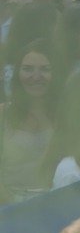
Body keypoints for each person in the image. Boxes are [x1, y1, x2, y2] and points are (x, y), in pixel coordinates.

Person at [0, 36, 58, 202]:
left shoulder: (66, 113)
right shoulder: (2, 114)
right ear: (17, 73)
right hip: (11, 203)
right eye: (27, 69)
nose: (36, 76)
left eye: (45, 69)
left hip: (59, 198)